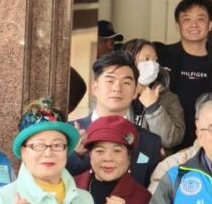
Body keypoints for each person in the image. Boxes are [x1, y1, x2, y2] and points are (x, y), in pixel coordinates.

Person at [156, 0, 212, 150]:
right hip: (166, 145)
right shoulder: (162, 58)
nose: (194, 25)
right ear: (177, 26)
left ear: (210, 25)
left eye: (200, 19)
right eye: (187, 19)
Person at [69, 51, 164, 186]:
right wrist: (75, 155)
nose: (117, 88)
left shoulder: (150, 142)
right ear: (95, 87)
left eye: (126, 82)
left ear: (135, 91)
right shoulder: (67, 133)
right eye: (110, 81)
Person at [122, 38, 187, 150]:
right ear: (129, 62)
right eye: (147, 59)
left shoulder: (169, 98)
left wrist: (153, 108)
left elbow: (171, 139)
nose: (153, 65)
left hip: (154, 160)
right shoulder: (115, 95)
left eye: (155, 60)